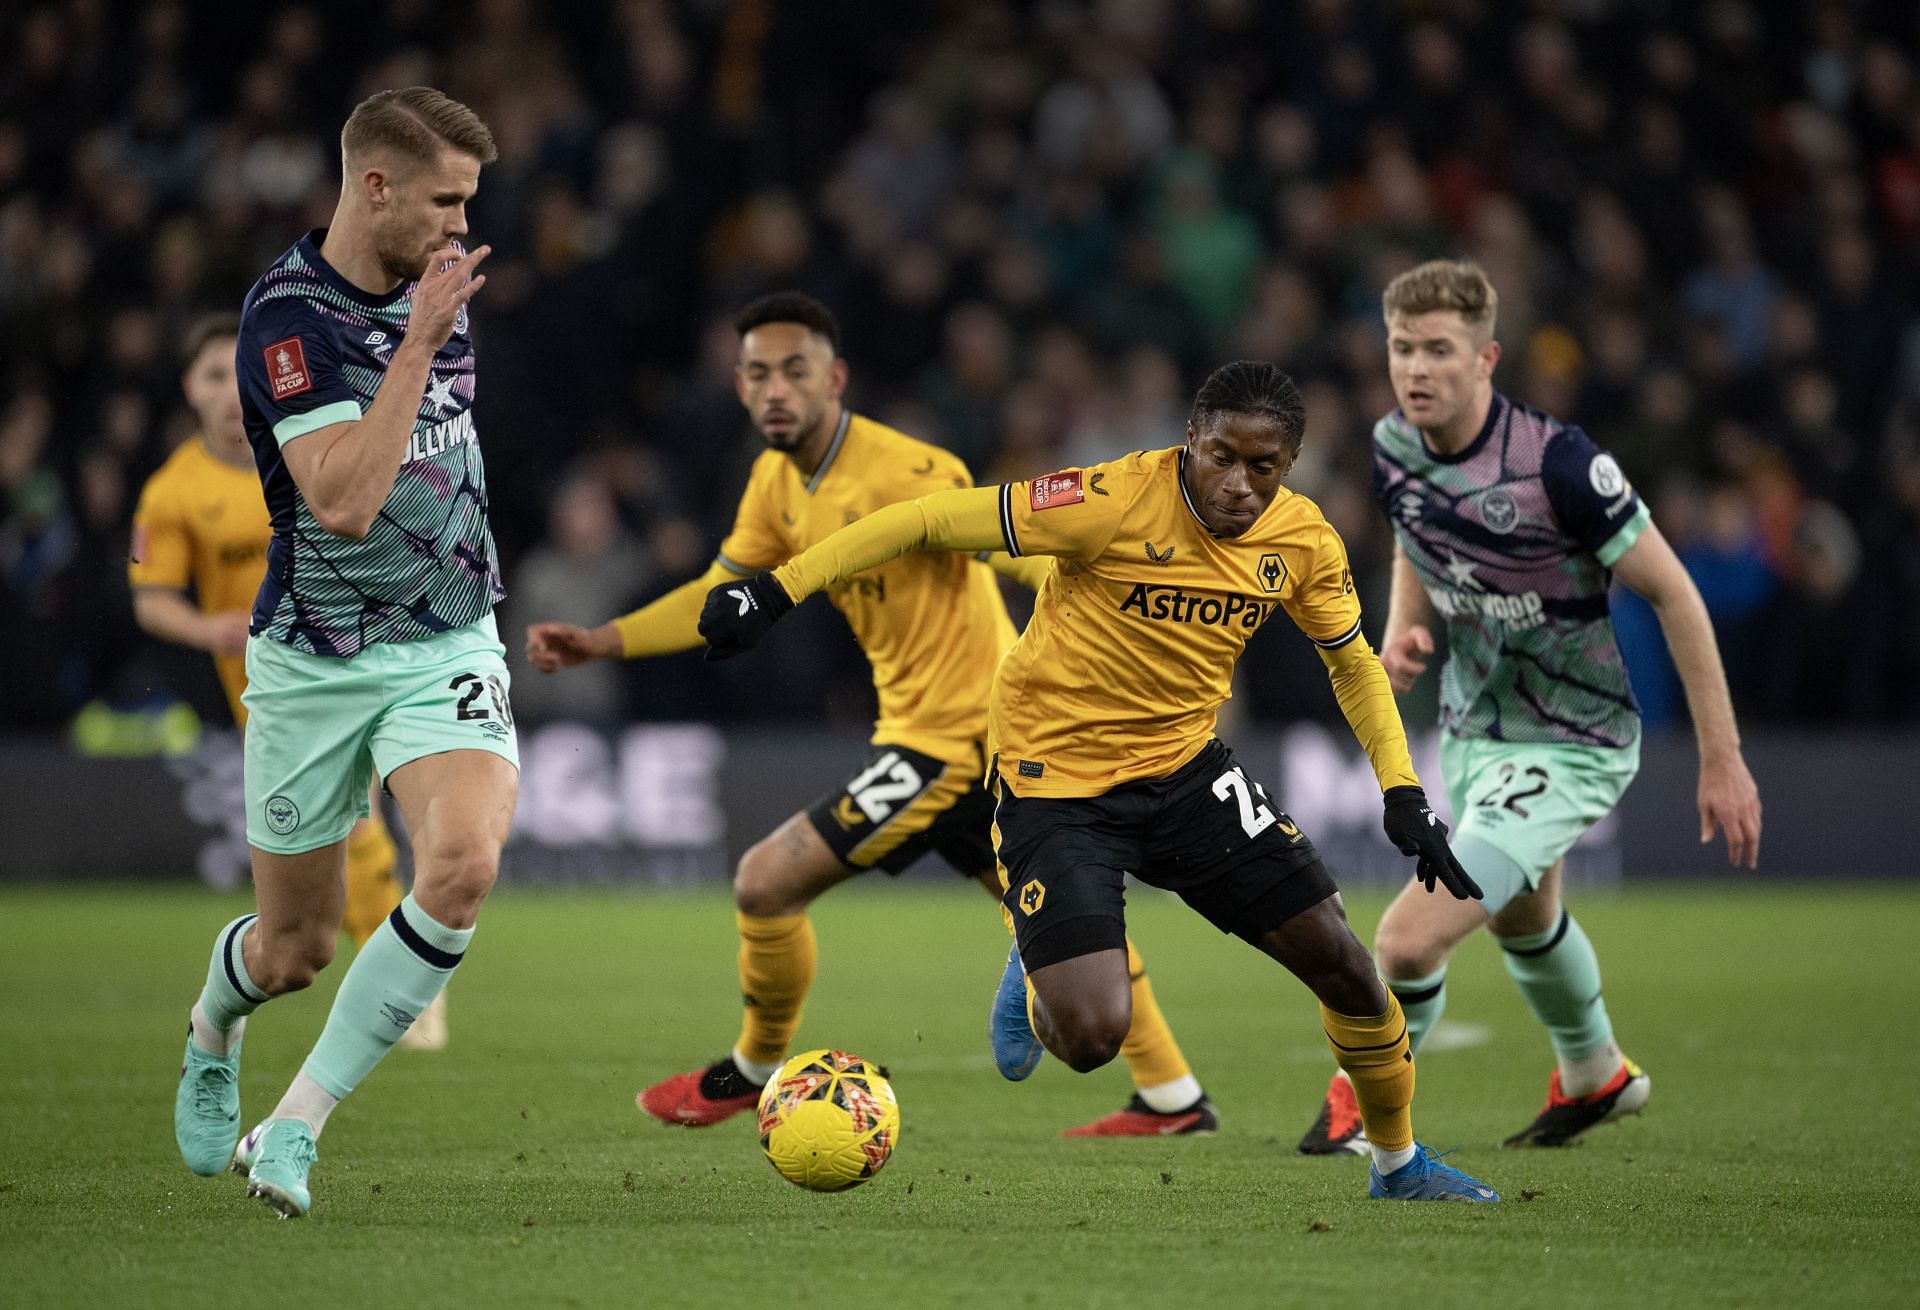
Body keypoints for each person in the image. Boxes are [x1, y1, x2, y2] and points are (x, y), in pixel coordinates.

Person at [699, 359, 1502, 1202]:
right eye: (1220, 457)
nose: (1237, 484)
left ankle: (1398, 1166)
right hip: (1056, 780)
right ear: (1189, 441)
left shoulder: (1302, 541)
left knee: (1343, 963)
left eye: (1261, 468)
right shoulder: (1105, 500)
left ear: (1289, 465)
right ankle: (1039, 957)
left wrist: (1403, 789)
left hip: (1187, 773)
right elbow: (928, 519)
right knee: (1088, 1037)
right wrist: (776, 591)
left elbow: (1353, 666)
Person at [527, 292, 1214, 1137]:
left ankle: (749, 1070)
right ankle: (1174, 1097)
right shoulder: (776, 482)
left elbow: (1025, 553)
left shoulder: (912, 473)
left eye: (794, 370)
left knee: (765, 882)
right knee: (1047, 915)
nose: (775, 390)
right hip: (924, 734)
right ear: (738, 387)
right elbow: (720, 594)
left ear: (835, 378)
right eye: (756, 374)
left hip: (963, 739)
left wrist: (1110, 634)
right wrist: (605, 640)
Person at [1296, 260, 1762, 1155]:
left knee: (1404, 942)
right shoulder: (1394, 445)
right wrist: (1404, 627)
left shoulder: (1561, 465)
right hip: (1477, 731)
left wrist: (1722, 758)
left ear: (1486, 360)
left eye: (1440, 350)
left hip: (1571, 739)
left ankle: (1361, 1102)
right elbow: (1415, 540)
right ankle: (1598, 1076)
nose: (1417, 369)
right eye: (1403, 349)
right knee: (1524, 917)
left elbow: (1677, 596)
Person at [171, 87, 515, 1218]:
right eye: (445, 201)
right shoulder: (285, 316)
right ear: (374, 187)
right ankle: (214, 1026)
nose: (462, 228)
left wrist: (426, 324)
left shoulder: (438, 282)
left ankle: (296, 1124)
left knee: (460, 866)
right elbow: (345, 501)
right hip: (313, 656)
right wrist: (418, 339)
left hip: (447, 635)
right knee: (294, 948)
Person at [131, 314, 447, 1051]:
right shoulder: (173, 493)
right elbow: (150, 599)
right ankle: (377, 976)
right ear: (189, 389)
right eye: (209, 376)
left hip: (352, 657)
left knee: (363, 824)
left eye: (230, 374)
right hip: (266, 692)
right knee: (317, 861)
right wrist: (204, 628)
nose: (223, 392)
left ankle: (408, 991)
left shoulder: (307, 451)